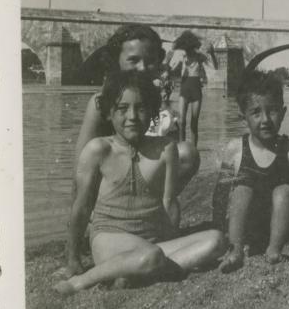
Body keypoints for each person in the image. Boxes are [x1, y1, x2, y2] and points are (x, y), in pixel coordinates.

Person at [55, 71, 225, 295]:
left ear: (154, 112)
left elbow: (169, 202)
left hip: (152, 241)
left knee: (216, 240)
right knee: (152, 255)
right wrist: (72, 258)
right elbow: (82, 207)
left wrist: (173, 240)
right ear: (108, 113)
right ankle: (81, 282)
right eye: (122, 109)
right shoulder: (99, 150)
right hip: (109, 239)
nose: (132, 116)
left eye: (142, 108)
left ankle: (133, 272)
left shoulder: (165, 148)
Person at [212, 70, 289, 273]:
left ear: (282, 113)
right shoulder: (235, 150)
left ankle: (274, 250)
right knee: (241, 190)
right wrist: (219, 229)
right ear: (243, 117)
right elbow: (220, 194)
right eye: (256, 112)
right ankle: (236, 250)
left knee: (284, 190)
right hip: (250, 229)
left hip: (285, 226)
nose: (265, 119)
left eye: (272, 111)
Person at [75, 24, 200, 195]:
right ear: (116, 62)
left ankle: (154, 208)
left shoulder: (158, 101)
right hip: (110, 181)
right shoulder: (101, 102)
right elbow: (80, 168)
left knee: (187, 153)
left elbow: (169, 150)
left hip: (145, 176)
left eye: (150, 62)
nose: (142, 68)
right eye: (133, 60)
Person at [170, 30, 212, 147]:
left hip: (196, 91)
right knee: (181, 121)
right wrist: (176, 62)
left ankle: (194, 149)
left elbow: (215, 66)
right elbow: (171, 68)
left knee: (194, 123)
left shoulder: (199, 57)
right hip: (184, 90)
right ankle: (181, 146)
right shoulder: (181, 56)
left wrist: (212, 54)